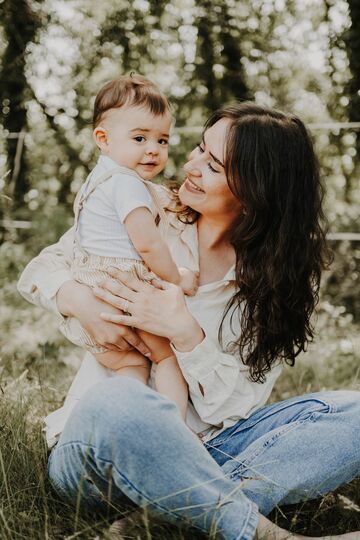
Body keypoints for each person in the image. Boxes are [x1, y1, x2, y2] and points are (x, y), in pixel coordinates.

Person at [18, 101, 360, 540]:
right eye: (200, 148)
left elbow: (237, 406)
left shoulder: (283, 281)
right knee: (121, 403)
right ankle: (262, 532)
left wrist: (185, 332)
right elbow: (43, 269)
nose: (190, 165)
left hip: (211, 450)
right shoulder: (146, 206)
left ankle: (172, 513)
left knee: (353, 415)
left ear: (258, 190)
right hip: (101, 451)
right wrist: (79, 303)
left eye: (214, 164)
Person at [58, 74, 199, 420]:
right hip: (125, 291)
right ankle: (173, 430)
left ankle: (124, 423)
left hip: (96, 300)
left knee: (132, 365)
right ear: (103, 139)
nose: (153, 149)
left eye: (162, 140)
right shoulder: (127, 185)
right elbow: (148, 247)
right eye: (139, 138)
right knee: (166, 359)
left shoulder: (96, 181)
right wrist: (178, 279)